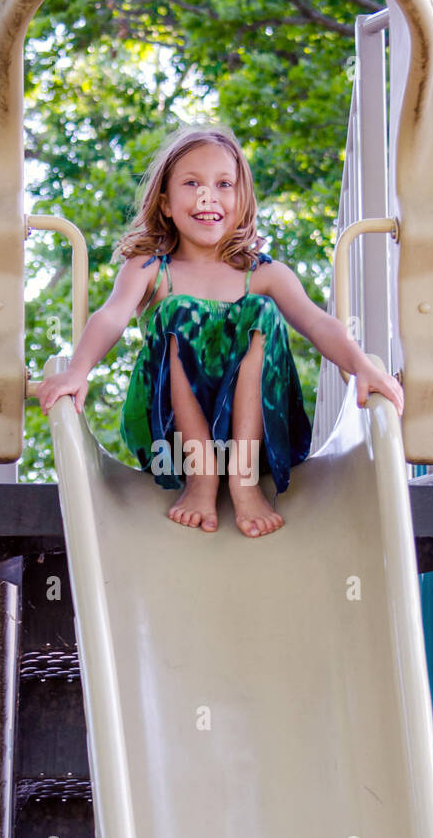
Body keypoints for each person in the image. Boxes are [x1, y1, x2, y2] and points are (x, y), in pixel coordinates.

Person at [36, 124, 404, 538]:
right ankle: (201, 476)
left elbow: (318, 323)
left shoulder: (264, 274)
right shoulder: (150, 268)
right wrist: (77, 370)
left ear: (241, 200)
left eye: (223, 184)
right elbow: (111, 316)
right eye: (192, 183)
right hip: (170, 448)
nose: (207, 196)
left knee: (261, 312)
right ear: (167, 203)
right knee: (177, 313)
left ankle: (243, 479)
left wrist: (360, 367)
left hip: (257, 443)